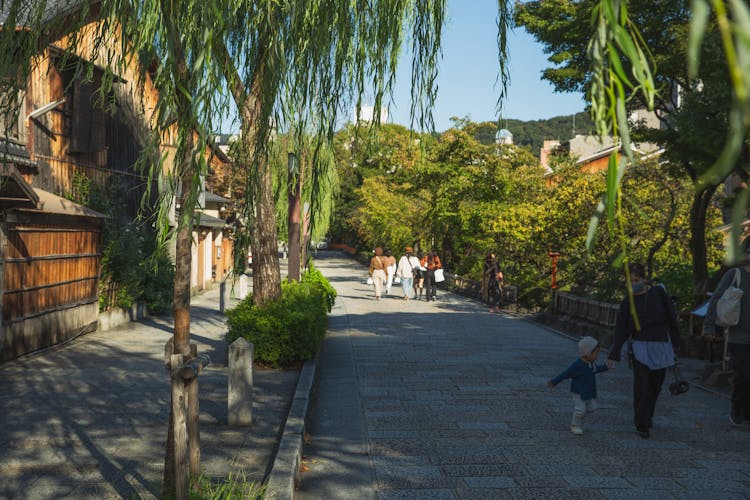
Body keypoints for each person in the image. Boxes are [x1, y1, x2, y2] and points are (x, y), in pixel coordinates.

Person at [606, 263, 681, 438]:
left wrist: (676, 343)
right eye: (630, 281)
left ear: (644, 279)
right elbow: (621, 329)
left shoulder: (659, 294)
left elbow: (671, 318)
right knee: (642, 385)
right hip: (639, 346)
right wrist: (614, 353)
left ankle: (648, 414)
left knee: (655, 386)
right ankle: (642, 423)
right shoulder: (627, 302)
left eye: (636, 280)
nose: (633, 284)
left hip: (661, 345)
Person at [702, 245, 750, 425]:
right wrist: (709, 327)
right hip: (739, 336)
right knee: (744, 375)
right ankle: (737, 409)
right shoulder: (735, 274)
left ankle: (745, 412)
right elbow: (716, 299)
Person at [548, 336, 608, 435]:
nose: (597, 355)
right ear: (587, 353)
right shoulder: (577, 365)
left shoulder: (591, 363)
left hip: (589, 392)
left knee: (592, 408)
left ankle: (580, 418)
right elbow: (566, 373)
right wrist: (554, 381)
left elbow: (596, 369)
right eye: (596, 353)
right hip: (578, 391)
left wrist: (605, 367)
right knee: (581, 409)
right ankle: (575, 425)